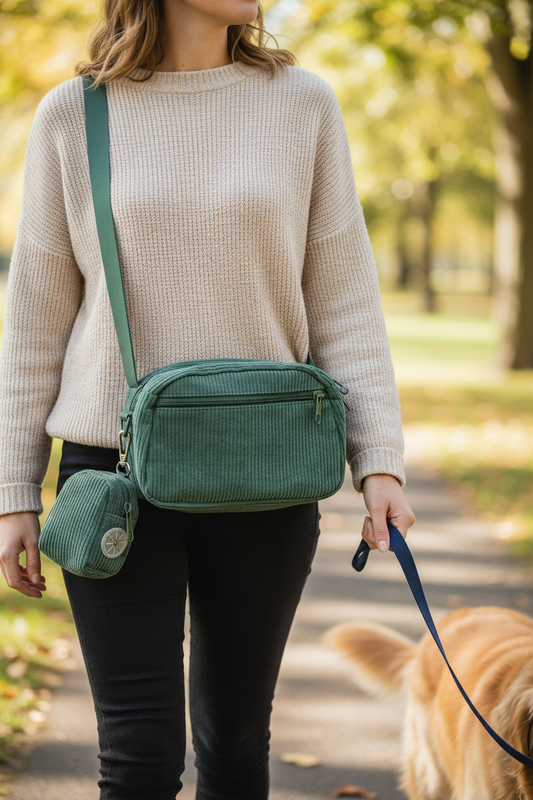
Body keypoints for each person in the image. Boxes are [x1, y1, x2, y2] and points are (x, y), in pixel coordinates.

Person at [0, 1, 416, 797]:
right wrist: (12, 490)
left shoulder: (303, 105)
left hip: (265, 469)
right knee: (139, 754)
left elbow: (345, 304)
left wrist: (379, 462)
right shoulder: (73, 114)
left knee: (233, 742)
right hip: (113, 480)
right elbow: (35, 323)